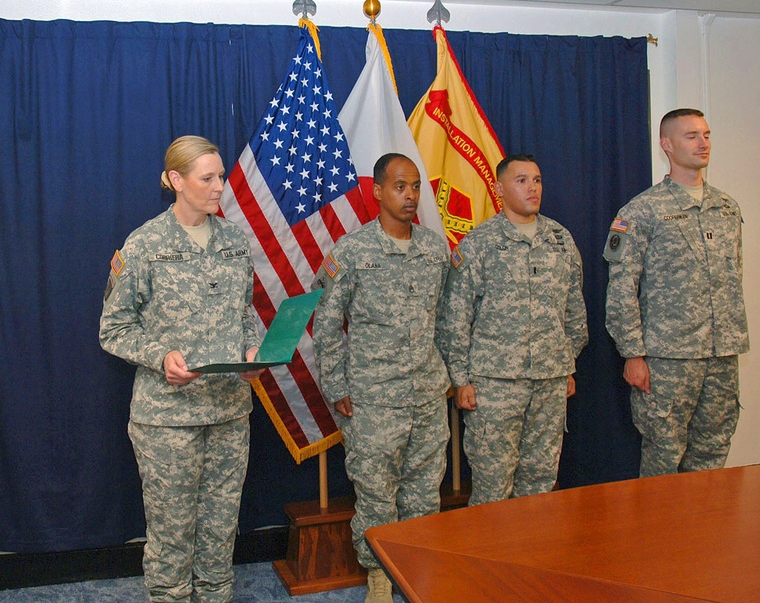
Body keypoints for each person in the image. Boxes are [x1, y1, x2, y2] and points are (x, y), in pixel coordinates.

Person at [99, 136, 261, 603]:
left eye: (221, 176)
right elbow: (113, 328)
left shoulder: (234, 240)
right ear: (175, 180)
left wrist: (252, 353)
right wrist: (160, 357)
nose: (219, 187)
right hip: (168, 419)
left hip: (229, 411)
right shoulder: (145, 243)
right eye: (207, 178)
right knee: (171, 538)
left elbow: (244, 313)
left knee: (219, 532)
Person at [312, 153, 451, 603]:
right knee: (375, 494)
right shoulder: (351, 253)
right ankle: (379, 576)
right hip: (373, 398)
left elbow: (447, 319)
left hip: (427, 395)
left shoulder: (435, 249)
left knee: (424, 492)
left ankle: (416, 569)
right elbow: (327, 325)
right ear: (377, 190)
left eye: (415, 187)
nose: (409, 196)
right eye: (399, 187)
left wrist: (449, 375)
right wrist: (337, 387)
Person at [604, 108, 749, 477]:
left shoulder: (726, 208)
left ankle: (703, 534)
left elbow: (734, 274)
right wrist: (633, 354)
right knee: (663, 461)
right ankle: (657, 536)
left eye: (706, 135)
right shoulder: (641, 211)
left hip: (721, 354)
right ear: (666, 145)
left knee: (713, 457)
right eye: (691, 136)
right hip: (668, 359)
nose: (703, 143)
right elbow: (621, 289)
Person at [438, 154, 587, 506]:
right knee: (492, 487)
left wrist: (565, 364)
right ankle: (489, 561)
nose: (532, 187)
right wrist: (461, 380)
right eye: (521, 180)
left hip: (549, 383)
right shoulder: (480, 244)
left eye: (536, 180)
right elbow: (455, 318)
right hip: (495, 386)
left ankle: (530, 557)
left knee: (540, 482)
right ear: (499, 189)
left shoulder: (560, 239)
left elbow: (574, 312)